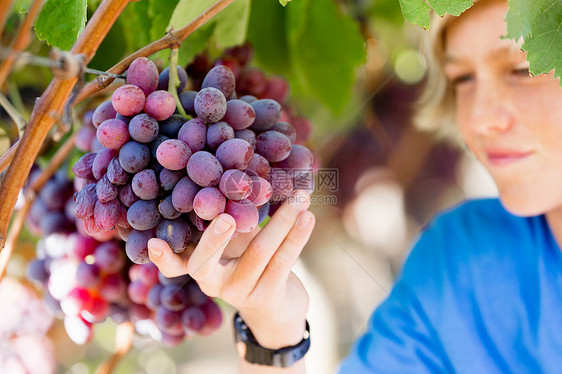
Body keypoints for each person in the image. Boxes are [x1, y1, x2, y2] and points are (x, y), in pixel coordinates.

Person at [148, 0, 562, 372]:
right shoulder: (457, 257)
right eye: (462, 79)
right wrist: (273, 329)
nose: (480, 118)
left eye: (524, 68)